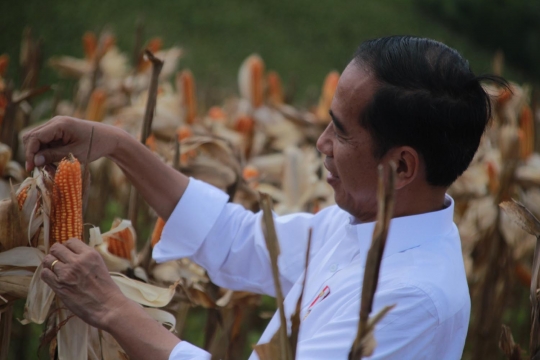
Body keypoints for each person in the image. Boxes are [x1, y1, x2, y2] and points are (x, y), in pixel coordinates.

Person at [23, 36, 505, 359]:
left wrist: (112, 308)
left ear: (400, 167)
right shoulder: (360, 222)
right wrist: (118, 145)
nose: (320, 144)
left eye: (339, 132)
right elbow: (237, 240)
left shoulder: (410, 302)